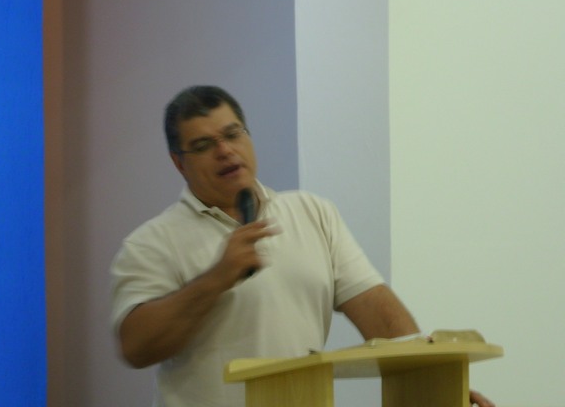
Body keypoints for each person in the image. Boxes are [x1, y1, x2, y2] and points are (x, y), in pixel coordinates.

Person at [110, 86, 494, 407]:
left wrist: (440, 390)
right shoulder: (152, 241)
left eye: (232, 134)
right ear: (179, 163)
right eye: (204, 145)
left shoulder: (312, 213)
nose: (225, 150)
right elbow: (136, 347)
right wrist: (217, 278)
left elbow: (378, 311)